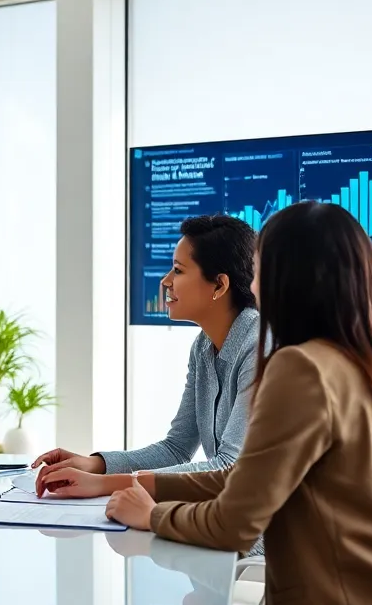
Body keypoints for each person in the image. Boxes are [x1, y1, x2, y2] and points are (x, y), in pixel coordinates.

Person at [41, 201, 372, 605]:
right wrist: (119, 476)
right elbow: (216, 468)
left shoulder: (300, 367)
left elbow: (236, 521)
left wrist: (151, 514)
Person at [33, 215, 260, 507]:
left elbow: (230, 469)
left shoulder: (259, 349)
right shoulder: (203, 347)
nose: (166, 281)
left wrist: (104, 484)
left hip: (266, 544)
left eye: (178, 271)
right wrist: (94, 465)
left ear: (219, 285)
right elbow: (177, 449)